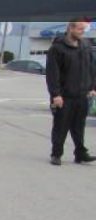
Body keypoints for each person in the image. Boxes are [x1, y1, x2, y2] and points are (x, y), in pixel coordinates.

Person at [45, 19, 96, 166]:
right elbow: (52, 74)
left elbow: (92, 68)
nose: (82, 32)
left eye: (84, 30)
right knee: (61, 126)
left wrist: (93, 87)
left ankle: (80, 153)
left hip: (83, 94)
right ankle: (56, 154)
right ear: (70, 28)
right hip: (64, 96)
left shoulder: (85, 45)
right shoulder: (58, 48)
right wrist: (56, 95)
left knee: (79, 126)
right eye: (80, 29)